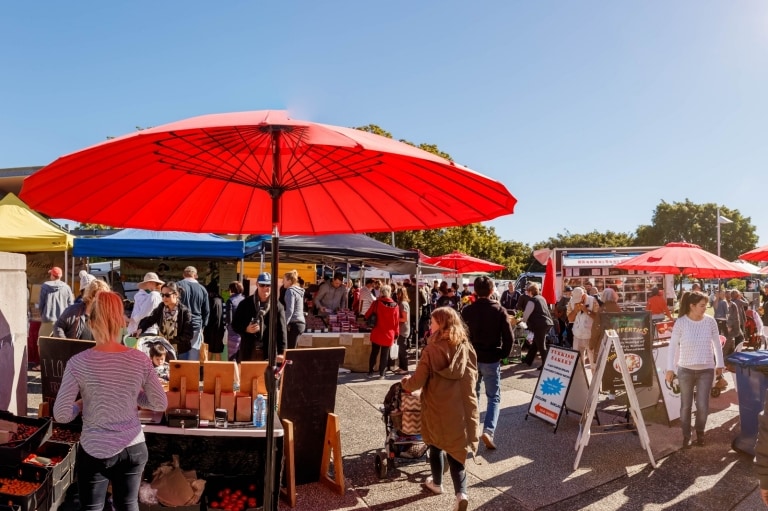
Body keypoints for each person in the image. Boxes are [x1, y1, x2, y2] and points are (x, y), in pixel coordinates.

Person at [53, 291, 167, 511]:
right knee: (128, 504)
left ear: (92, 322)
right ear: (121, 322)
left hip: (95, 448)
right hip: (133, 447)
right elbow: (160, 403)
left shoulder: (78, 362)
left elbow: (62, 414)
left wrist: (81, 404)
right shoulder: (139, 359)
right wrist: (134, 395)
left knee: (92, 508)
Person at [401, 306, 479, 511]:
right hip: (460, 407)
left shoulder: (431, 349)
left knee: (435, 445)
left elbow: (417, 382)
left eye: (433, 321)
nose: (430, 324)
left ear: (441, 323)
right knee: (457, 452)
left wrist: (405, 383)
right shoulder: (466, 346)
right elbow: (472, 377)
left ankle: (437, 484)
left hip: (437, 406)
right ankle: (461, 493)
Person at [665, 290, 725, 448]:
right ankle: (686, 436)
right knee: (686, 405)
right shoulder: (681, 322)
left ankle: (700, 433)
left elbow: (717, 343)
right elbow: (672, 347)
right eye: (702, 305)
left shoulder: (710, 321)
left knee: (703, 405)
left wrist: (720, 363)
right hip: (685, 370)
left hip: (706, 369)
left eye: (706, 305)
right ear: (692, 306)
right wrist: (670, 368)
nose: (706, 308)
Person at [460, 276, 513, 450]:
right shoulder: (499, 310)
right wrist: (502, 354)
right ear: (492, 291)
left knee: (472, 396)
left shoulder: (467, 311)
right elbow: (509, 338)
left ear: (475, 291)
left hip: (472, 359)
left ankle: (470, 431)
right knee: (494, 397)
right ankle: (488, 431)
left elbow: (461, 337)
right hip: (491, 358)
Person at [232, 272, 287, 363]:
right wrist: (246, 329)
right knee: (247, 376)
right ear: (257, 284)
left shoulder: (277, 306)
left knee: (267, 377)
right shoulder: (245, 304)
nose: (265, 288)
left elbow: (282, 331)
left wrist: (282, 352)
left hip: (269, 352)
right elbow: (235, 324)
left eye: (268, 285)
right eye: (262, 285)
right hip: (249, 350)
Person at [136, 282, 195, 356]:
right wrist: (141, 328)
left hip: (180, 351)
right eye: (162, 295)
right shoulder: (161, 307)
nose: (164, 298)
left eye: (167, 295)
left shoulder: (184, 312)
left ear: (176, 294)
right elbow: (150, 319)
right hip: (163, 350)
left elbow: (188, 335)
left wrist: (170, 341)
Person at [364, 284, 399, 379]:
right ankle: (382, 374)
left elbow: (367, 315)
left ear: (381, 292)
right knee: (385, 354)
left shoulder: (376, 303)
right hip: (389, 333)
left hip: (377, 332)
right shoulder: (395, 305)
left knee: (374, 352)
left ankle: (370, 371)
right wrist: (396, 334)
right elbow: (396, 322)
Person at [176, 266, 210, 361]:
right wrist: (203, 326)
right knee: (194, 355)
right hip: (196, 324)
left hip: (180, 325)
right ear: (196, 276)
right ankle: (192, 374)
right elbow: (206, 311)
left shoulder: (177, 285)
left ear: (183, 274)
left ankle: (181, 374)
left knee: (181, 353)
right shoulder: (202, 289)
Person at [521, 282, 555, 370]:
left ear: (531, 291)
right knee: (536, 343)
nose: (527, 293)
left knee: (541, 345)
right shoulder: (541, 298)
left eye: (528, 291)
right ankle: (528, 360)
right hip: (546, 323)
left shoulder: (532, 301)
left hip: (540, 325)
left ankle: (545, 365)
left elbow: (526, 315)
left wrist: (522, 320)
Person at [589, 288, 621, 373]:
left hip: (603, 341)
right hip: (617, 342)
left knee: (602, 368)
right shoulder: (618, 308)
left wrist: (591, 344)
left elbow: (596, 329)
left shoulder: (602, 310)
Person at [39, 266, 74, 336]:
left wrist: (43, 315)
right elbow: (71, 306)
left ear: (52, 276)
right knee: (59, 345)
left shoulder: (45, 286)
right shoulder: (67, 288)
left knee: (43, 344)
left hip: (48, 320)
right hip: (62, 321)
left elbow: (41, 305)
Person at [567, 286, 598, 364]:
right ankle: (581, 376)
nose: (577, 303)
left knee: (593, 363)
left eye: (579, 300)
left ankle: (594, 375)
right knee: (577, 363)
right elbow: (570, 319)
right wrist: (575, 311)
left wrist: (586, 310)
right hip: (577, 335)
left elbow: (598, 318)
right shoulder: (571, 301)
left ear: (584, 296)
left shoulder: (593, 300)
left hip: (590, 336)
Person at [283, 270, 306, 349]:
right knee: (292, 349)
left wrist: (284, 324)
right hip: (301, 323)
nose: (283, 282)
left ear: (289, 281)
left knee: (289, 350)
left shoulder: (290, 291)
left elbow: (290, 310)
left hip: (294, 323)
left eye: (284, 280)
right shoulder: (298, 291)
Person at [203, 283, 225, 361]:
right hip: (220, 329)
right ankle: (218, 370)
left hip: (209, 328)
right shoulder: (221, 299)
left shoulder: (209, 300)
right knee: (217, 351)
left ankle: (206, 370)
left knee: (208, 350)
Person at [225, 281, 245, 361]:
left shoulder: (230, 301)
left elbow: (229, 319)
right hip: (244, 332)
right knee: (240, 356)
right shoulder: (245, 299)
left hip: (233, 332)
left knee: (232, 356)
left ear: (231, 290)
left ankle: (233, 373)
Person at [393, 287, 411, 375]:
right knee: (400, 349)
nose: (396, 295)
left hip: (403, 330)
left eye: (398, 293)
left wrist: (395, 319)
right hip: (401, 329)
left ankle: (405, 368)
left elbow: (404, 318)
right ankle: (401, 367)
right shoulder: (401, 303)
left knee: (402, 350)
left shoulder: (403, 304)